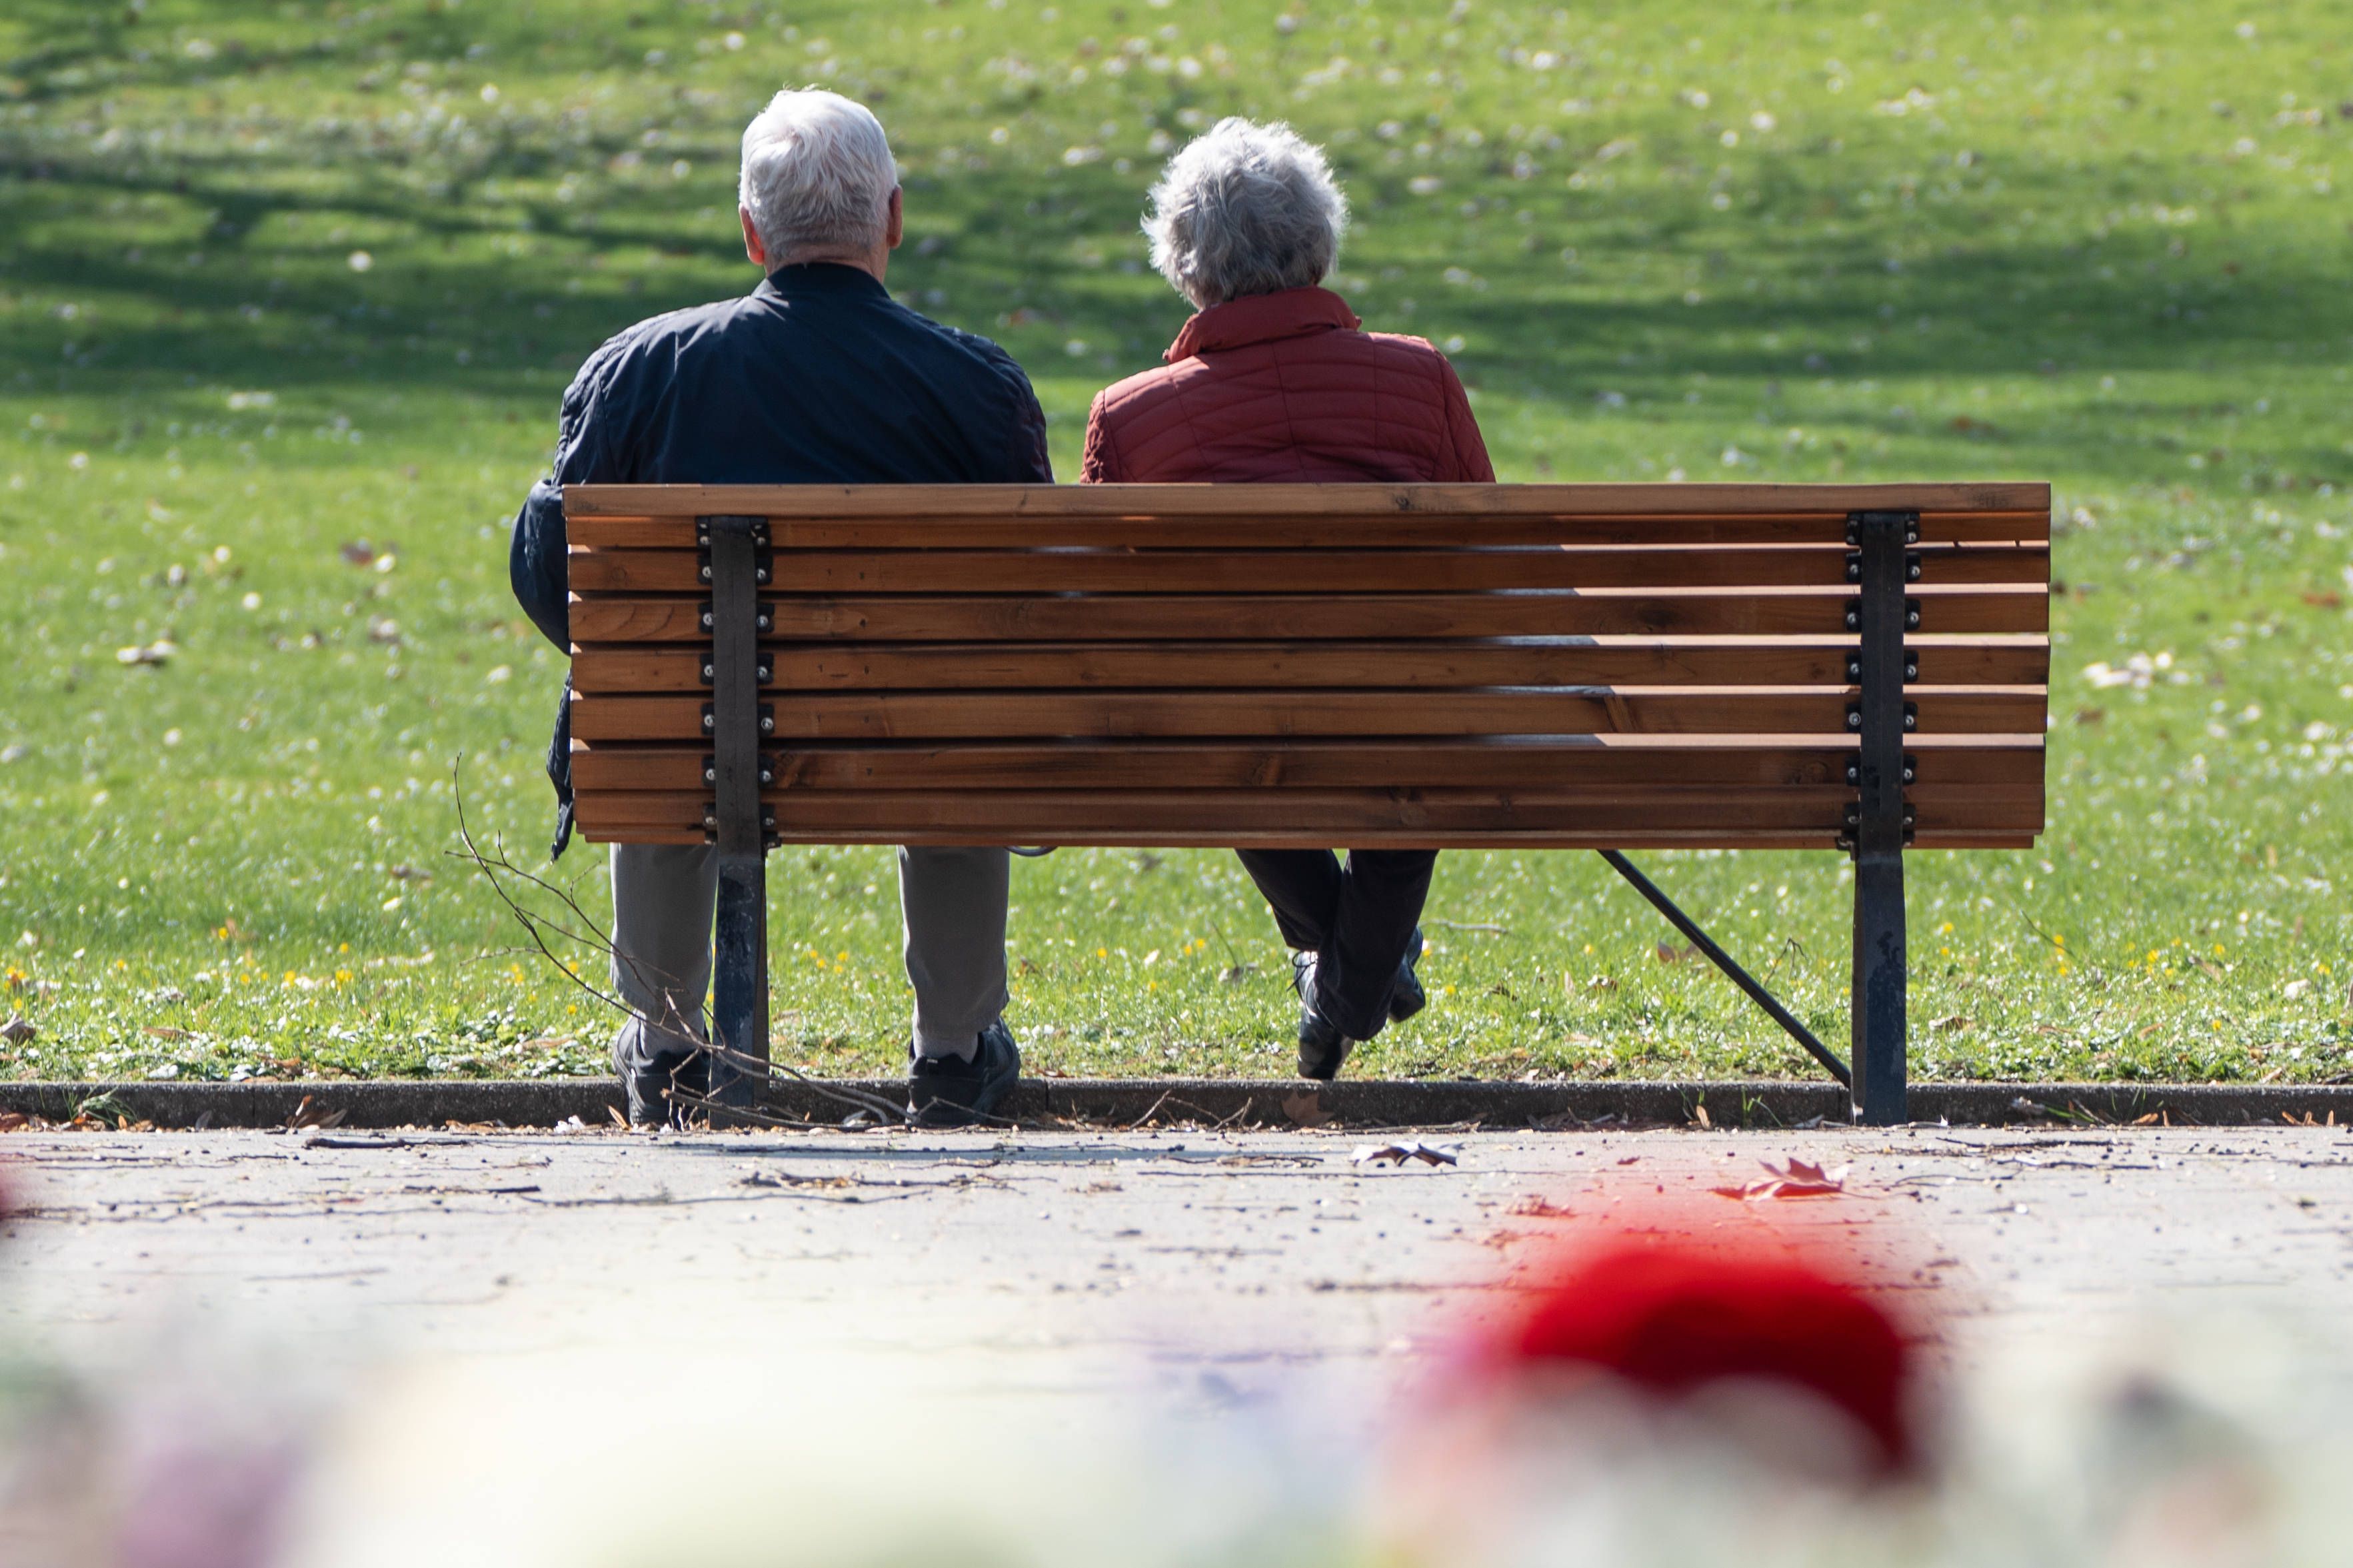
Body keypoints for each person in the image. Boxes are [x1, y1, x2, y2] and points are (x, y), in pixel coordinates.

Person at [508, 89, 1048, 1128]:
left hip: (689, 739)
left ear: (752, 231)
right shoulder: (976, 387)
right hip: (915, 742)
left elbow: (553, 563)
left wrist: (615, 660)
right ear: (891, 218)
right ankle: (953, 1050)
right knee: (954, 720)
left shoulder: (637, 375)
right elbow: (1023, 597)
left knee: (667, 712)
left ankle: (668, 1047)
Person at [1081, 118, 1496, 1081]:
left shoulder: (1131, 419)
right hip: (1409, 721)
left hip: (1228, 734)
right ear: (1318, 247)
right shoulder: (1420, 377)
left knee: (1214, 723)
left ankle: (1347, 984)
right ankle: (1355, 979)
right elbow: (1481, 562)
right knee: (1410, 745)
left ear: (1187, 268)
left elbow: (1106, 615)